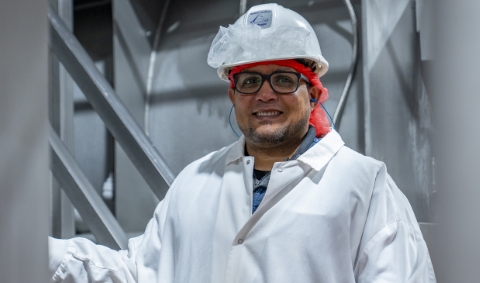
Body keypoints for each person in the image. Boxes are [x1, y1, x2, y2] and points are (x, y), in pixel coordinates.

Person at [49, 3, 436, 282]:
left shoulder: (366, 187)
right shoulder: (194, 182)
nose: (265, 95)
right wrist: (38, 252)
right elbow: (137, 272)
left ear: (314, 93)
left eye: (284, 78)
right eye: (249, 81)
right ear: (232, 95)